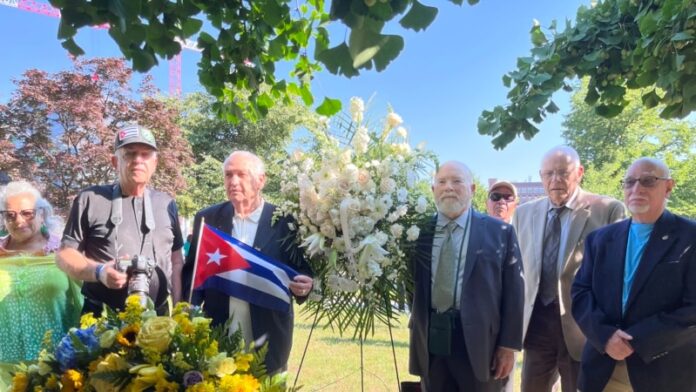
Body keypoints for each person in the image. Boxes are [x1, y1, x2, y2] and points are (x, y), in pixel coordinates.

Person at [181, 150, 313, 374]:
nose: (233, 181)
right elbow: (194, 273)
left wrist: (305, 286)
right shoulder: (207, 218)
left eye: (241, 174)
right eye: (228, 175)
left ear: (261, 180)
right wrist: (188, 313)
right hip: (217, 334)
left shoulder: (286, 220)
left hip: (269, 337)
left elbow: (304, 271)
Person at [572, 158, 696, 392]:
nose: (636, 189)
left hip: (663, 371)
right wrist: (605, 336)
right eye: (629, 182)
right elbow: (581, 292)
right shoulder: (599, 240)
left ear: (668, 187)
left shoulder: (690, 237)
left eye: (648, 181)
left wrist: (637, 341)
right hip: (602, 369)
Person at [511, 146, 625, 392]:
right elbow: (518, 272)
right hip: (536, 325)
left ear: (580, 172)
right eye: (548, 173)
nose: (555, 180)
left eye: (563, 173)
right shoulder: (523, 214)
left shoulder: (608, 209)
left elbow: (617, 277)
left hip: (581, 326)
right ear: (540, 176)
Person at [408, 161, 524, 392]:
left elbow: (515, 292)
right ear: (433, 190)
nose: (448, 187)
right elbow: (411, 286)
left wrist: (508, 346)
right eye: (441, 182)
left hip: (482, 346)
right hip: (432, 340)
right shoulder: (417, 233)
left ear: (471, 189)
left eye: (457, 181)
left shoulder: (500, 233)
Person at [56, 124, 185, 316]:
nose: (138, 160)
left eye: (145, 154)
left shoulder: (166, 204)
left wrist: (180, 308)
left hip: (158, 321)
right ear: (115, 162)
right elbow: (65, 255)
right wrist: (99, 272)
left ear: (155, 163)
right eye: (130, 154)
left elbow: (176, 260)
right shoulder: (90, 198)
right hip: (101, 322)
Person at [0, 181, 82, 361]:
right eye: (10, 215)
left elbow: (83, 304)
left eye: (27, 213)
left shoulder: (64, 251)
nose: (19, 221)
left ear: (42, 214)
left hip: (55, 366)